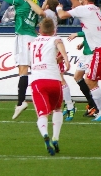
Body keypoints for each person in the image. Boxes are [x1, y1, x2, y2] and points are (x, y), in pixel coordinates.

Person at [57, 0, 101, 121]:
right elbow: (79, 7)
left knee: (90, 80)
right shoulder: (94, 8)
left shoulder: (84, 9)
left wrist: (58, 8)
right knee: (92, 79)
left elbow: (62, 15)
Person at [0, 0, 39, 120]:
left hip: (24, 38)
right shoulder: (33, 3)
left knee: (24, 70)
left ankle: (21, 102)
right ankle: (25, 101)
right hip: (33, 37)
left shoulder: (20, 1)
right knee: (34, 69)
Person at [28, 17, 70, 155]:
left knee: (42, 114)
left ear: (39, 30)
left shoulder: (33, 42)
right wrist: (65, 58)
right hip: (54, 80)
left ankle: (45, 134)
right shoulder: (55, 39)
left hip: (38, 81)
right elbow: (58, 43)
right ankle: (56, 137)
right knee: (57, 109)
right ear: (54, 30)